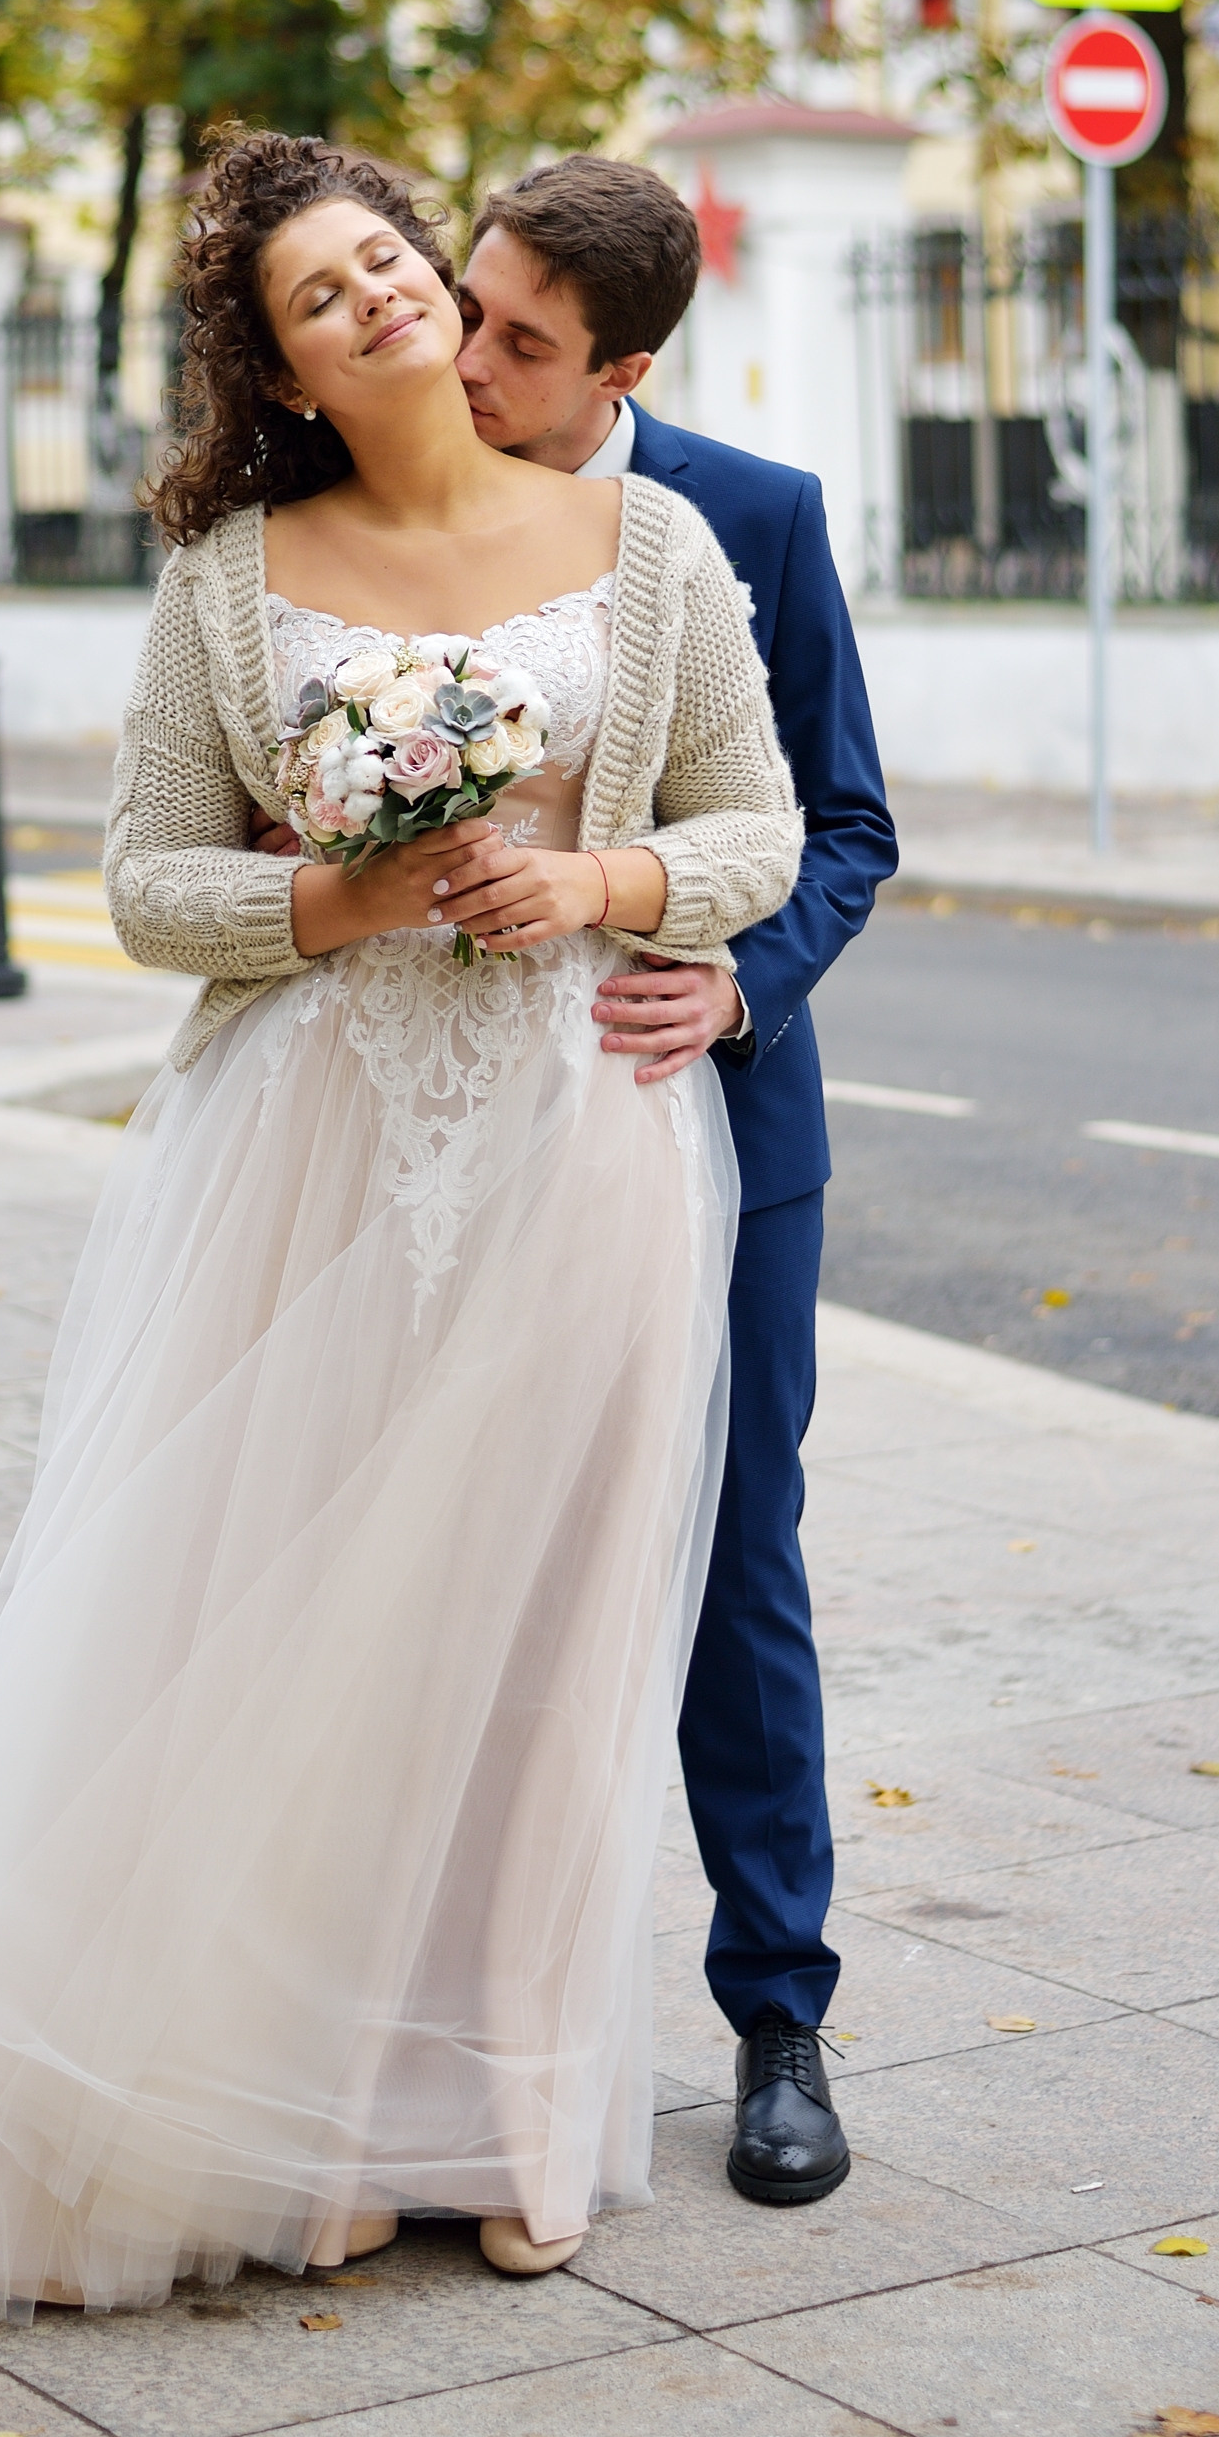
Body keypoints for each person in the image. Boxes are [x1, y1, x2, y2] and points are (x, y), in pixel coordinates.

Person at [0, 130, 802, 2316]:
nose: (383, 301)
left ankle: (511, 2124)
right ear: (291, 369)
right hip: (308, 1156)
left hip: (577, 1143)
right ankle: (312, 2128)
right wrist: (335, 892)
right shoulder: (230, 584)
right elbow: (146, 888)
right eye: (323, 298)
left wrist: (595, 884)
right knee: (308, 1635)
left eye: (391, 261)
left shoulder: (662, 542)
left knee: (539, 1644)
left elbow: (760, 826)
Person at [452, 154, 898, 2208]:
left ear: (618, 363)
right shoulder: (408, 503)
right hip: (458, 1127)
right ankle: (450, 2027)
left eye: (520, 342)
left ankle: (776, 2024)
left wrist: (733, 986)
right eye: (467, 307)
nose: (468, 362)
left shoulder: (755, 514)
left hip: (713, 1120)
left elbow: (842, 826)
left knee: (733, 1569)